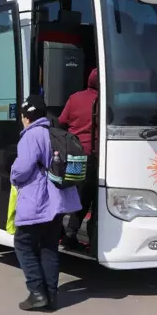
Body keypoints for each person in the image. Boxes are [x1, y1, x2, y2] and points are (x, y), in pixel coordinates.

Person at [11, 95, 82, 311]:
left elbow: (22, 169)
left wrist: (13, 176)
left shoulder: (30, 137)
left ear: (25, 117)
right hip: (58, 202)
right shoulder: (55, 134)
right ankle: (51, 296)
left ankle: (36, 291)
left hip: (37, 201)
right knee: (49, 247)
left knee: (23, 244)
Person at [58, 68, 99, 249]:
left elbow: (61, 120)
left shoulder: (75, 98)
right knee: (89, 197)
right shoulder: (104, 100)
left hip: (75, 157)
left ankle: (65, 233)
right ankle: (88, 236)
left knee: (72, 194)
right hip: (94, 157)